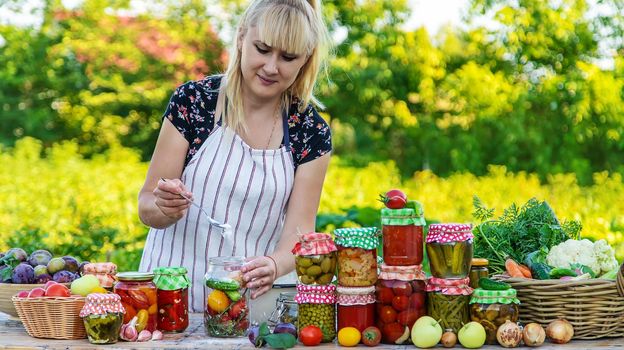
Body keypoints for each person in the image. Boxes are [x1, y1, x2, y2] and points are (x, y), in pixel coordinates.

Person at [137, 0, 332, 312]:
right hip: (167, 304)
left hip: (247, 311)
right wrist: (164, 207)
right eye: (262, 49)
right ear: (242, 37)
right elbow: (147, 205)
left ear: (304, 60)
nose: (271, 67)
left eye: (287, 57)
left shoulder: (310, 132)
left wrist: (274, 264)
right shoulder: (195, 102)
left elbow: (300, 234)